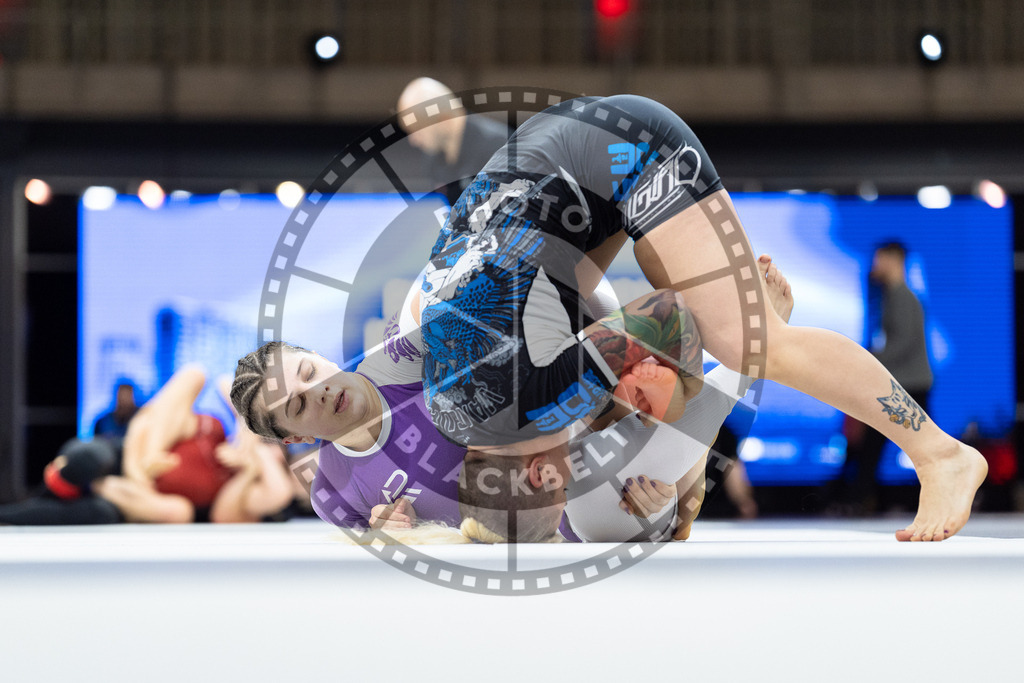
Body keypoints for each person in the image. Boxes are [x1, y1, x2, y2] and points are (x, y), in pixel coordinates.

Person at [418, 94, 985, 543]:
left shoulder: (533, 400)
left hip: (624, 151)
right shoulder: (446, 409)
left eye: (562, 491)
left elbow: (671, 318)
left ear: (541, 475)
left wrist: (683, 471)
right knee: (592, 339)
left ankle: (942, 455)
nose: (572, 479)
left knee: (750, 343)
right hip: (547, 156)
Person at [0, 367, 295, 525]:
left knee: (165, 513)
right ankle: (63, 485)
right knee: (87, 459)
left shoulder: (242, 490)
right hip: (121, 454)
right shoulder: (212, 428)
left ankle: (16, 512)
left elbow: (240, 509)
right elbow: (144, 423)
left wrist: (251, 464)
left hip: (128, 495)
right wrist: (248, 433)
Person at [843, 241, 934, 514]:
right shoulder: (890, 296)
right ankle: (861, 498)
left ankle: (861, 499)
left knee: (919, 449)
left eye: (879, 259)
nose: (874, 265)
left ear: (894, 260)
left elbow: (902, 343)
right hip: (904, 383)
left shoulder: (903, 298)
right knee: (889, 446)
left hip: (908, 386)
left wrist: (868, 361)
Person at [397, 77, 512, 205]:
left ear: (444, 120)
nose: (413, 141)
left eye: (418, 131)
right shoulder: (433, 159)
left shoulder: (498, 148)